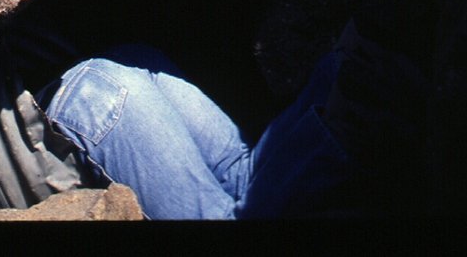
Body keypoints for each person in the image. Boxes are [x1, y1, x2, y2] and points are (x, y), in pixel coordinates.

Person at [34, 19, 426, 219]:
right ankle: (355, 77)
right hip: (110, 85)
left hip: (109, 90)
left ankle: (354, 90)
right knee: (242, 190)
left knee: (243, 185)